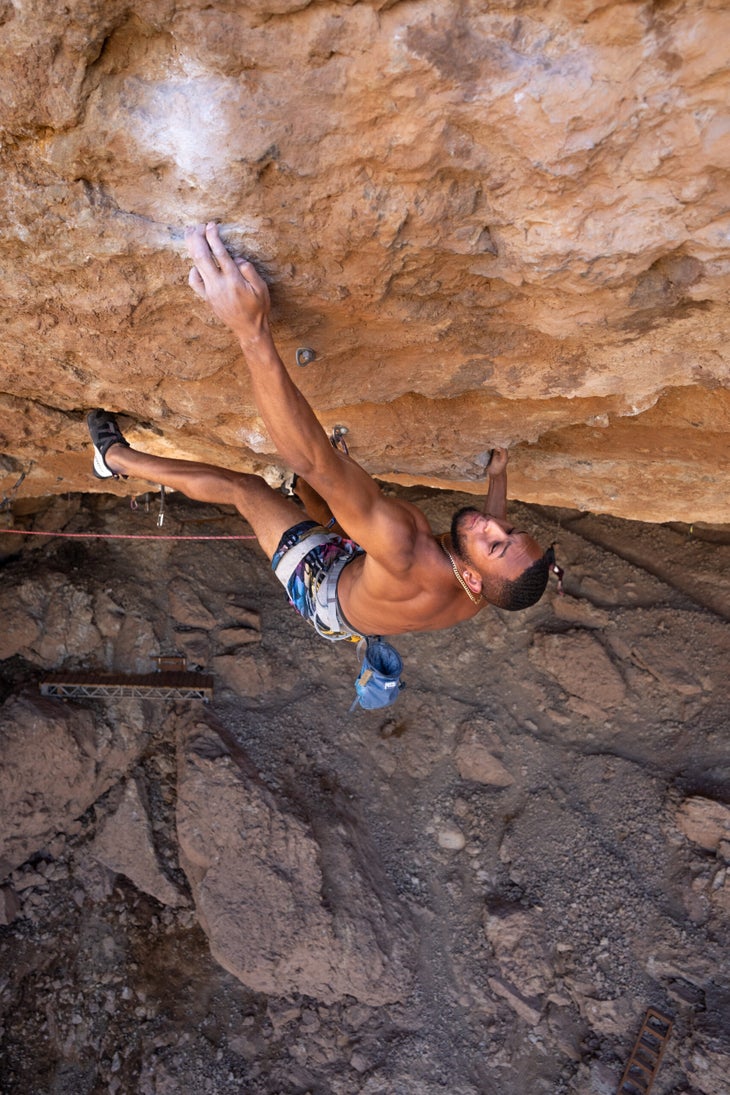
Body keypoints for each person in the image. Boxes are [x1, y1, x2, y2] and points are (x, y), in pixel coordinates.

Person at [87, 223, 562, 646]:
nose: (494, 524)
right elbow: (494, 537)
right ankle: (309, 502)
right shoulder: (498, 584)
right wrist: (498, 478)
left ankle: (113, 458)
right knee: (334, 504)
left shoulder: (404, 545)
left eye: (496, 542)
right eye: (513, 528)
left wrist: (249, 328)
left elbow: (312, 459)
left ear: (474, 580)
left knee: (249, 488)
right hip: (370, 594)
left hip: (325, 591)